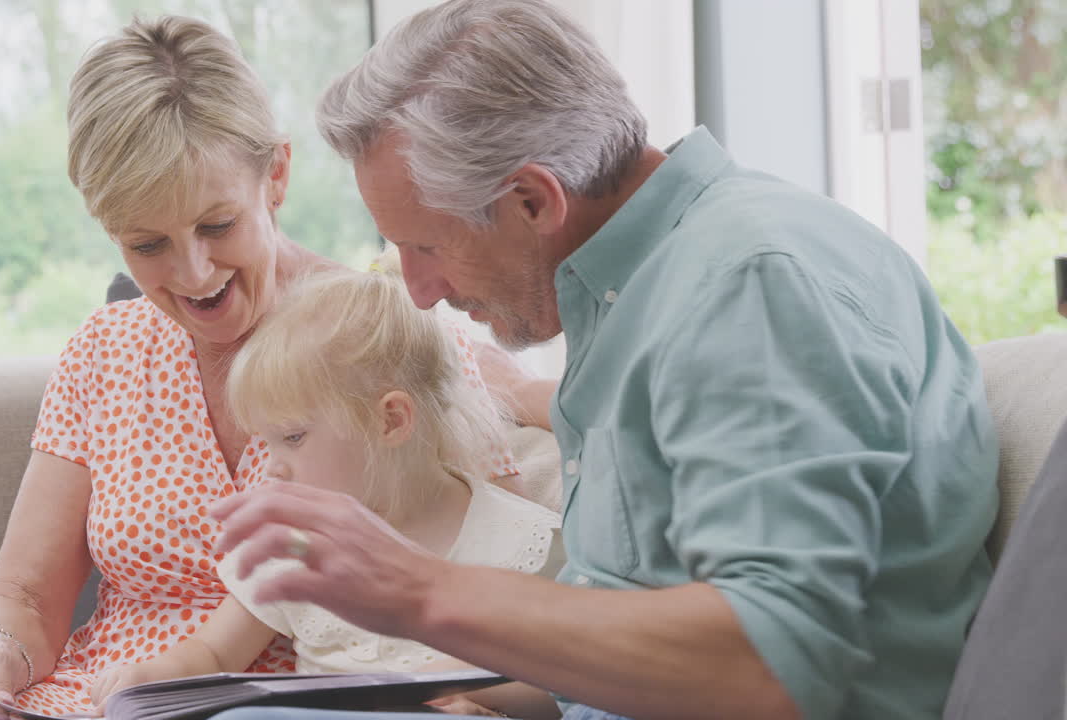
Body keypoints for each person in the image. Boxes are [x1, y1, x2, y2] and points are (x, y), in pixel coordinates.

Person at [209, 1, 1000, 719]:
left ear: (532, 200)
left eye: (428, 245)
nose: (419, 291)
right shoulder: (640, 292)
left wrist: (420, 590)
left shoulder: (749, 285)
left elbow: (770, 664)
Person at [0, 15, 539, 720]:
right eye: (148, 244)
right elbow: (24, 595)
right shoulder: (105, 349)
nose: (195, 273)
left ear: (276, 175)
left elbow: (495, 571)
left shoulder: (386, 337)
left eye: (216, 226)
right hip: (105, 699)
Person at [89, 268, 564, 719]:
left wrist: (475, 693)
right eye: (267, 441)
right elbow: (212, 650)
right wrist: (151, 678)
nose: (272, 465)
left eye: (293, 437)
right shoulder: (292, 546)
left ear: (392, 420)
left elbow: (570, 688)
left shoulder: (529, 542)